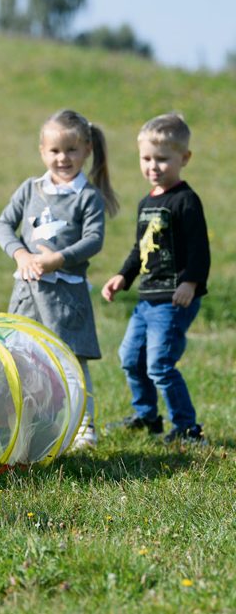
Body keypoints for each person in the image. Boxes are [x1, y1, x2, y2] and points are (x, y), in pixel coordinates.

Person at [0, 109, 119, 451]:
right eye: (54, 151)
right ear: (42, 151)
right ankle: (26, 426)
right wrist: (21, 254)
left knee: (71, 362)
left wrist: (57, 260)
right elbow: (3, 224)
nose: (63, 158)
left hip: (67, 298)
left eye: (71, 150)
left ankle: (83, 428)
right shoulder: (30, 189)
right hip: (27, 294)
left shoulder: (87, 197)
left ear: (87, 150)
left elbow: (94, 239)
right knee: (21, 359)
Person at [102, 113, 210, 444]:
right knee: (130, 359)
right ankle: (147, 417)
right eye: (146, 158)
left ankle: (188, 428)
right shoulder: (146, 203)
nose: (153, 166)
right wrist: (123, 276)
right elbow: (141, 248)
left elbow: (199, 249)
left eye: (162, 159)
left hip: (174, 299)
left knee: (160, 364)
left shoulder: (186, 201)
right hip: (147, 298)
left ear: (184, 158)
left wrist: (190, 282)